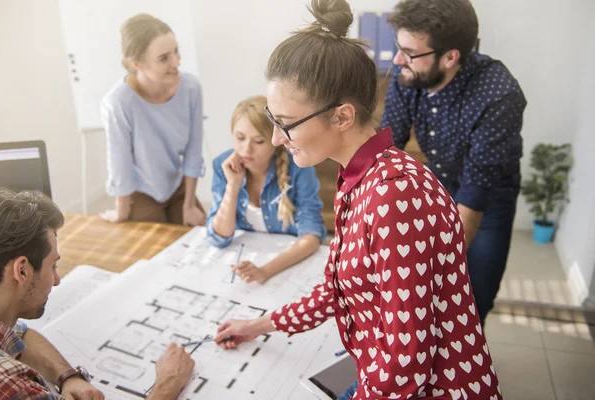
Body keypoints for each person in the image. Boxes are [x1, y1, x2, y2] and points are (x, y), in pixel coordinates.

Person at [214, 1, 501, 399]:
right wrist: (261, 325)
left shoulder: (396, 196)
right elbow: (338, 290)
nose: (277, 138)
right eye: (272, 118)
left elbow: (405, 367)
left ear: (343, 117)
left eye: (285, 123)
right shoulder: (363, 176)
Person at [380, 0, 527, 325]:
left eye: (409, 52)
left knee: (471, 302)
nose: (398, 59)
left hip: (488, 202)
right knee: (423, 301)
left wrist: (428, 275)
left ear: (450, 57)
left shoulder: (498, 94)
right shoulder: (410, 74)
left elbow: (472, 202)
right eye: (397, 46)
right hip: (440, 186)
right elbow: (386, 149)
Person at [0, 188, 195, 399]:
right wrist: (168, 384)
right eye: (53, 266)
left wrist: (68, 376)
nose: (56, 280)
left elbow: (20, 334)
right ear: (22, 270)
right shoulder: (12, 385)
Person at [100, 13, 206, 226]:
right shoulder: (118, 102)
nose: (176, 62)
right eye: (163, 58)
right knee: (155, 251)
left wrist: (189, 205)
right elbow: (120, 161)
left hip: (178, 186)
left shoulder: (191, 88)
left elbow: (194, 150)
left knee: (201, 237)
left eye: (176, 51)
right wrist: (122, 211)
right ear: (136, 63)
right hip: (141, 192)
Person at [207, 95, 326, 284]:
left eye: (258, 141)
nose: (246, 150)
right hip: (243, 266)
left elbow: (311, 235)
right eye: (239, 138)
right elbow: (219, 238)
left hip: (286, 268)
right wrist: (233, 185)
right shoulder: (223, 165)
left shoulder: (298, 167)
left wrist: (265, 270)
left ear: (275, 141)